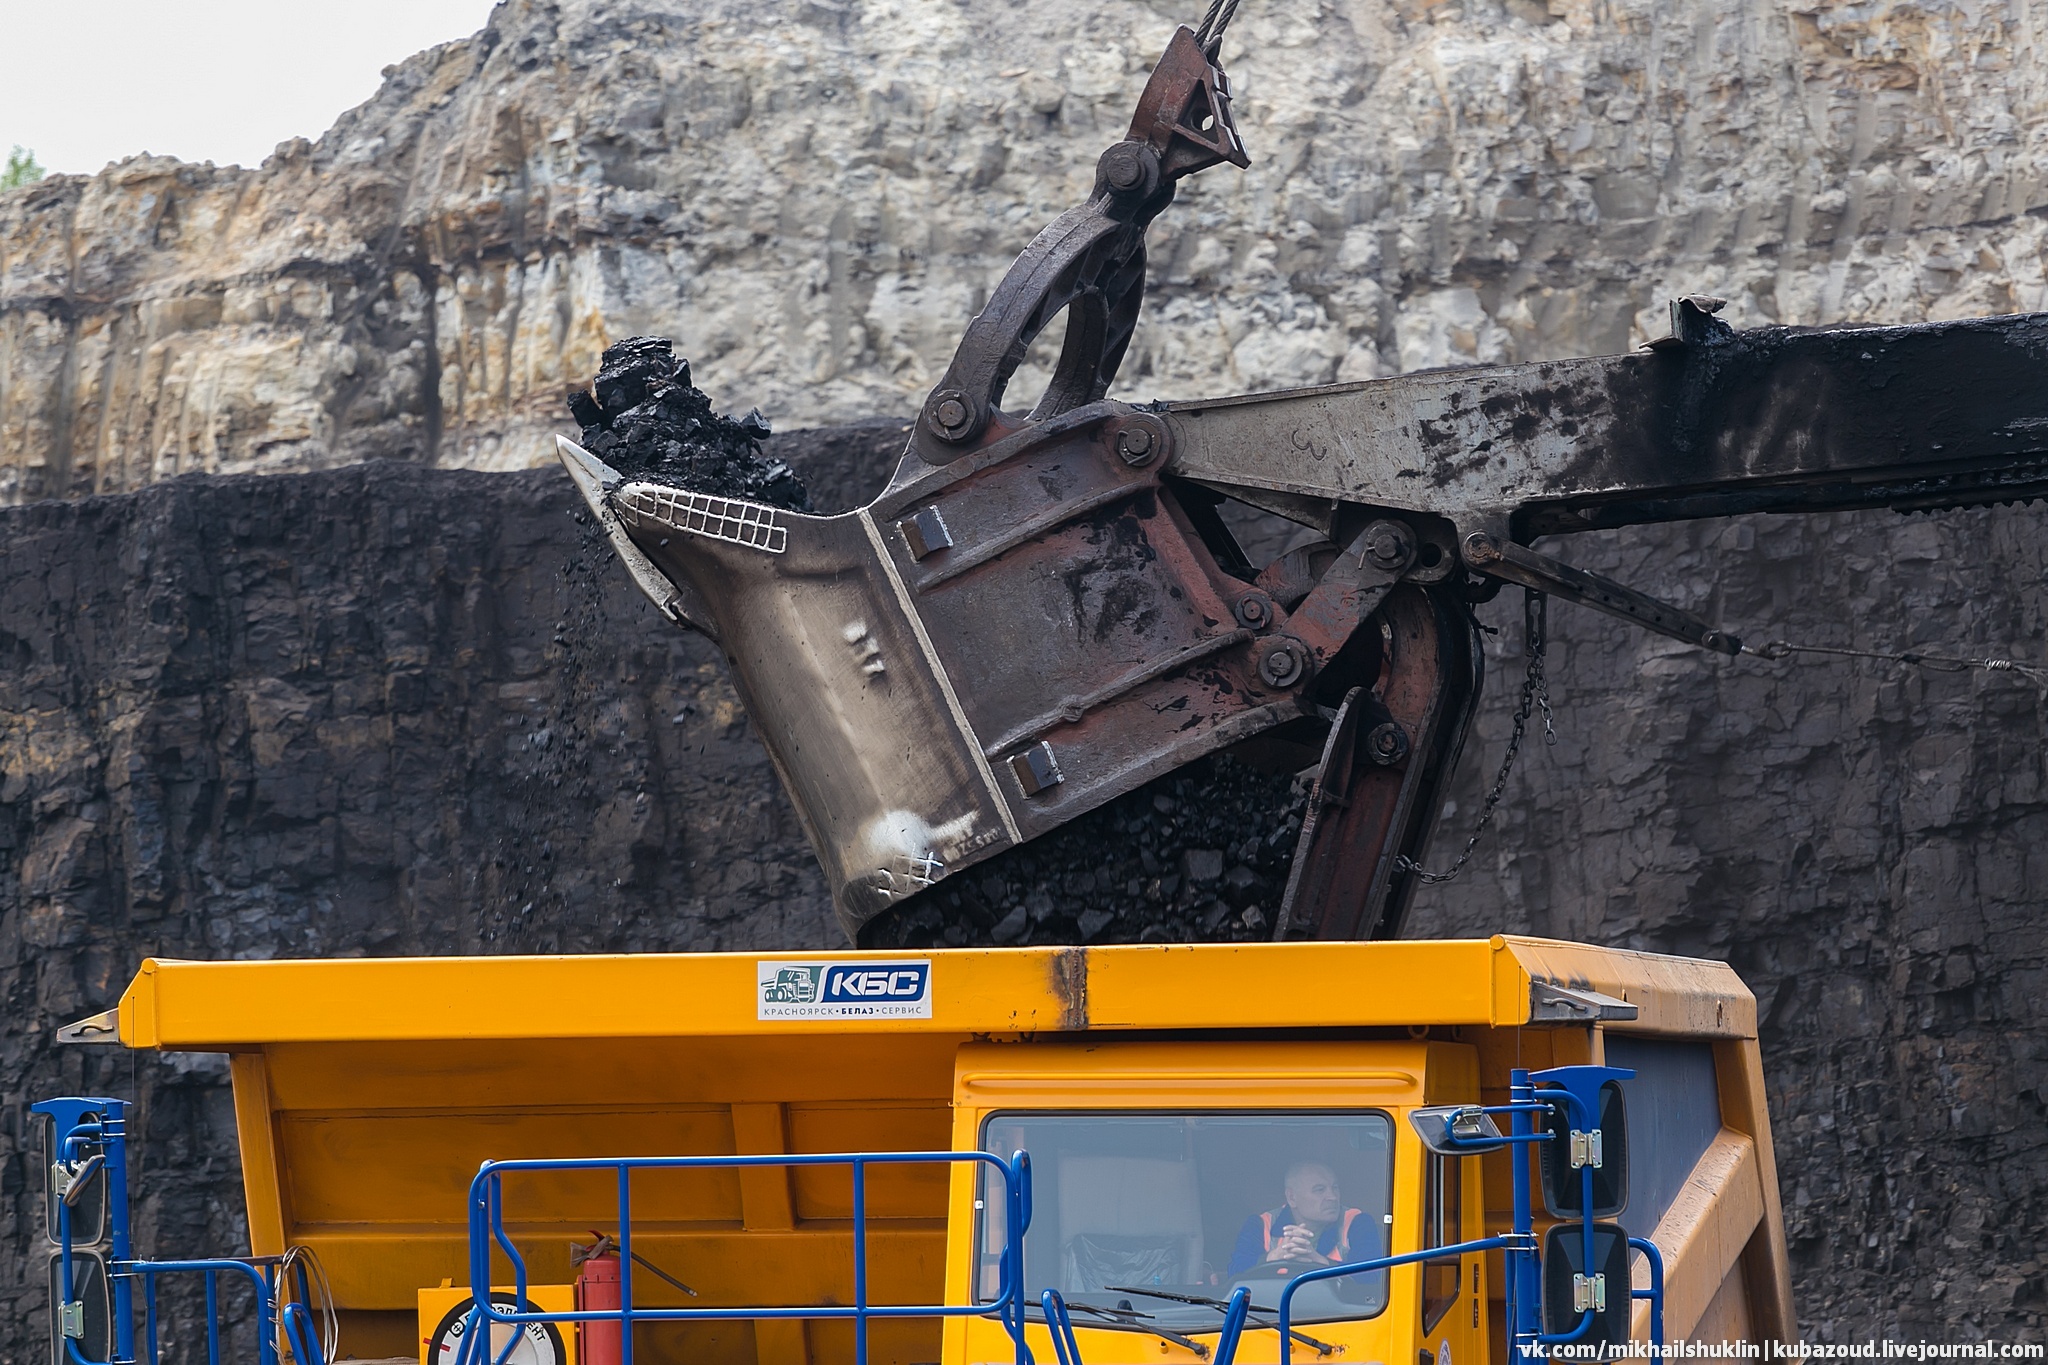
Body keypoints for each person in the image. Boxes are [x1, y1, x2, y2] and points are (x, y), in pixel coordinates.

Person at [1226, 1161, 1365, 1276]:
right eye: (1319, 1190)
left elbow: (1374, 1278)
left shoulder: (1357, 1222)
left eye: (1335, 1188)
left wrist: (1318, 1261)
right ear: (1292, 1197)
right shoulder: (1260, 1224)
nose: (1333, 1197)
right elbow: (1235, 1272)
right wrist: (1274, 1257)